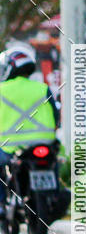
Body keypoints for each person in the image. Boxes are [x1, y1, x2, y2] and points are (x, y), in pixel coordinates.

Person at [0, 48, 58, 219]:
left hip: (11, 147)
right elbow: (56, 115)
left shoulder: (2, 89)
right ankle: (54, 194)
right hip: (44, 143)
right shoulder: (42, 88)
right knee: (53, 162)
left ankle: (1, 203)